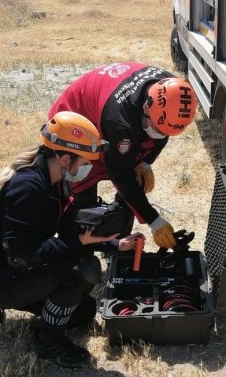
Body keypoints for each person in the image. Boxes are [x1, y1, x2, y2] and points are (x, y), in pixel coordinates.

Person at [0, 111, 143, 369]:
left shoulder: (54, 179)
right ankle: (47, 342)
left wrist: (116, 244)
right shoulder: (28, 188)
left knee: (82, 314)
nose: (87, 169)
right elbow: (21, 254)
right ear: (66, 158)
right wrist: (78, 244)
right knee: (83, 269)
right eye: (84, 163)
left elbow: (70, 231)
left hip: (7, 266)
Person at [47, 62, 197, 249]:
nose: (158, 135)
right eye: (155, 128)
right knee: (83, 194)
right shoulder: (119, 120)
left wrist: (145, 164)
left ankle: (118, 243)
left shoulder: (173, 90)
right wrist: (154, 221)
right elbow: (120, 173)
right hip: (74, 117)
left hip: (105, 108)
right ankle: (78, 247)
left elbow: (163, 134)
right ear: (146, 107)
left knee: (136, 178)